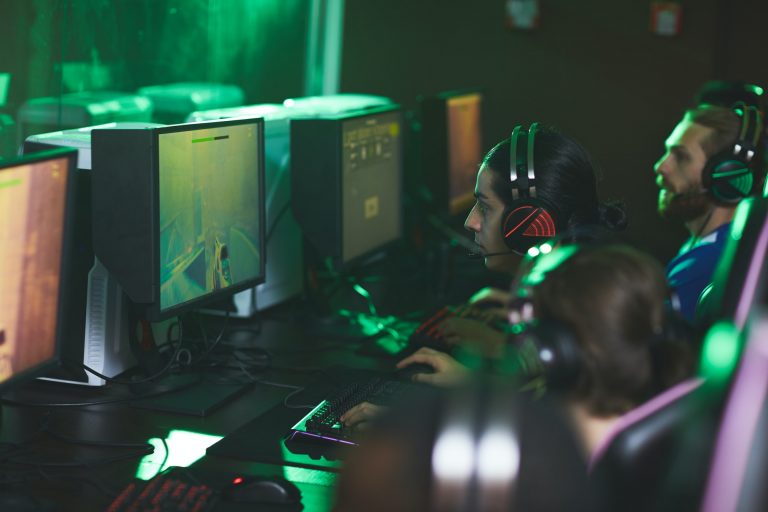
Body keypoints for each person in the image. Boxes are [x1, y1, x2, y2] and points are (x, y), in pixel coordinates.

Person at [437, 122, 627, 351]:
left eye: (485, 208)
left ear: (528, 220)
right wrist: (514, 332)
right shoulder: (581, 293)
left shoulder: (591, 322)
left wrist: (476, 364)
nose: (470, 222)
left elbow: (568, 373)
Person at [654, 103, 764, 323]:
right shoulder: (707, 246)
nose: (661, 166)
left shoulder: (703, 265)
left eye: (681, 156)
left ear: (725, 174)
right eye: (667, 151)